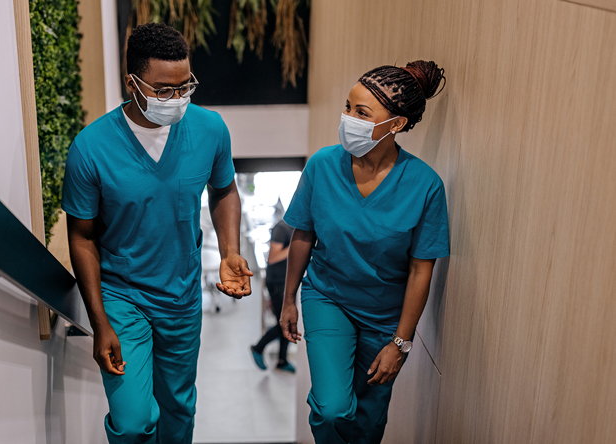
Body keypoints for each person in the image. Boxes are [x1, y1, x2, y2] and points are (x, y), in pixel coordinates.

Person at [63, 23, 254, 444]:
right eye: (164, 91)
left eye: (185, 87)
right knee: (133, 422)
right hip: (122, 296)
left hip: (182, 297)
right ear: (132, 83)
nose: (177, 100)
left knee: (179, 408)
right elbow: (81, 237)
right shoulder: (91, 148)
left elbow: (224, 190)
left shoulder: (209, 129)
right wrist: (99, 321)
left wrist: (229, 251)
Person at [279, 60, 450, 444]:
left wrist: (401, 344)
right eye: (347, 107)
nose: (347, 118)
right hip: (328, 297)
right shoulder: (323, 165)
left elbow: (422, 270)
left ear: (397, 125)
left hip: (385, 316)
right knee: (332, 409)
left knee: (368, 424)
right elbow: (303, 236)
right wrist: (289, 299)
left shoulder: (425, 186)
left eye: (361, 112)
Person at [250, 219, 296, 372]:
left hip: (286, 280)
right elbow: (273, 257)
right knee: (285, 323)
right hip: (277, 282)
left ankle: (282, 360)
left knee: (287, 323)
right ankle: (258, 347)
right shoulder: (282, 228)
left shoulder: (298, 227)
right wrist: (298, 246)